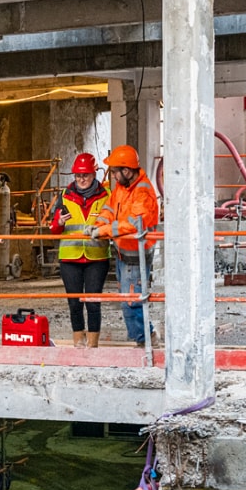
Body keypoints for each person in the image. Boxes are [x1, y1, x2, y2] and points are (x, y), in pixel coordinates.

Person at [89, 145, 160, 345]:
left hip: (136, 256)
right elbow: (109, 208)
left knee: (131, 301)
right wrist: (98, 224)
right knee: (128, 299)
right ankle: (144, 339)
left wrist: (103, 231)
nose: (112, 176)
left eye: (114, 172)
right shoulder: (122, 188)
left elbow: (132, 223)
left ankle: (146, 340)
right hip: (123, 253)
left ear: (126, 171)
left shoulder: (142, 192)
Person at [48, 153, 110, 349]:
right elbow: (54, 228)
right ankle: (78, 341)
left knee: (93, 302)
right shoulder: (64, 197)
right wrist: (58, 222)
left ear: (94, 174)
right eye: (78, 176)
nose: (81, 179)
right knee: (74, 303)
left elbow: (111, 224)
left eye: (85, 175)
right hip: (70, 258)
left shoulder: (105, 197)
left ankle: (92, 344)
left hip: (96, 258)